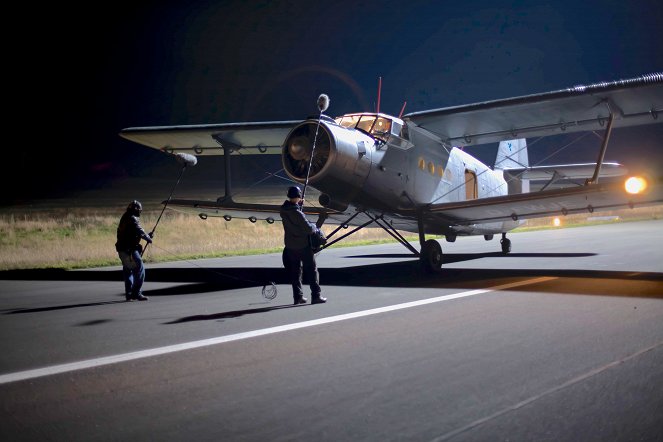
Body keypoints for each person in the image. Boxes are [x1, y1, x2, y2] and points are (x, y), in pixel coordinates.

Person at [280, 186, 327, 305]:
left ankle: (298, 297)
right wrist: (314, 227)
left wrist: (298, 206)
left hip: (290, 246)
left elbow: (294, 217)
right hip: (303, 246)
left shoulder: (283, 210)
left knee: (296, 273)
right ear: (298, 196)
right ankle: (316, 296)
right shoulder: (297, 213)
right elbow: (308, 229)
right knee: (312, 271)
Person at [115, 200, 152, 301]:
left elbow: (133, 232)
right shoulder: (132, 218)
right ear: (135, 210)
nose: (140, 212)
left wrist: (147, 235)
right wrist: (148, 238)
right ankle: (136, 293)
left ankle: (129, 294)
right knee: (140, 269)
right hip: (129, 250)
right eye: (139, 210)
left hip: (122, 249)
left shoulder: (125, 217)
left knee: (128, 271)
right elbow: (139, 230)